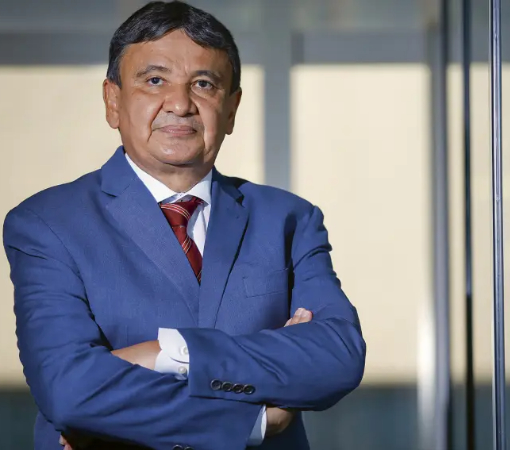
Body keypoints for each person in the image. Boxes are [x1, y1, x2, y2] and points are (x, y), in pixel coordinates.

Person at [2, 2, 366, 449]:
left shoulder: (288, 219)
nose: (179, 104)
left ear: (231, 110)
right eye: (155, 80)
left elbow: (338, 357)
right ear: (113, 101)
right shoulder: (47, 223)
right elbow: (72, 391)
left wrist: (168, 354)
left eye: (203, 84)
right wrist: (252, 421)